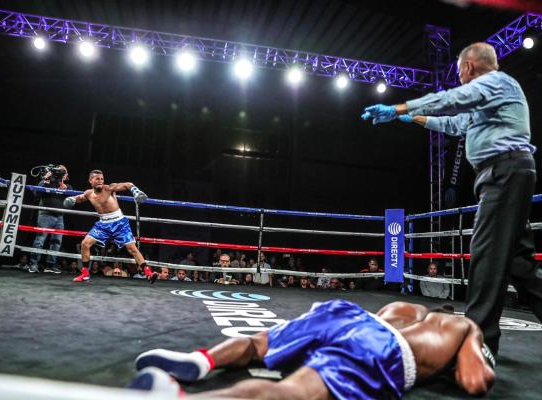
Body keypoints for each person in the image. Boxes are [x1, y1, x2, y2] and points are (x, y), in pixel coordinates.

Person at [361, 42, 542, 355]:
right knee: (517, 262)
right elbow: (456, 124)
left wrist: (400, 108)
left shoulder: (496, 82)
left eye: (459, 70)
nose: (458, 77)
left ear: (469, 67)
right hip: (508, 171)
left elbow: (451, 100)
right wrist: (413, 119)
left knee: (485, 253)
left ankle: (476, 341)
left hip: (504, 171)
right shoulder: (489, 99)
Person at [131, 300, 496, 399]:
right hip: (384, 347)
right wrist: (471, 351)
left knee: (261, 343)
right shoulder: (462, 326)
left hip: (346, 313)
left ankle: (202, 360)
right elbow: (476, 381)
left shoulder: (405, 309)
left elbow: (377, 319)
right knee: (299, 390)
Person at [63, 169, 157, 283]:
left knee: (132, 248)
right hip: (103, 224)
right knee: (85, 244)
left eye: (102, 179)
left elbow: (127, 185)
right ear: (90, 180)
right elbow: (80, 198)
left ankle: (148, 273)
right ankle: (85, 274)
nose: (100, 181)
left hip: (120, 223)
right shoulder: (89, 193)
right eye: (97, 179)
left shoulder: (109, 188)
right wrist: (71, 199)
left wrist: (135, 191)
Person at [28, 165, 72, 274]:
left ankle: (50, 265)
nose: (61, 174)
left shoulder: (68, 187)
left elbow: (71, 202)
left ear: (66, 175)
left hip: (59, 217)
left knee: (56, 242)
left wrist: (65, 189)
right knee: (40, 240)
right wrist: (44, 181)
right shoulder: (47, 182)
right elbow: (36, 194)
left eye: (64, 172)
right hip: (45, 215)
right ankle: (33, 264)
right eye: (60, 171)